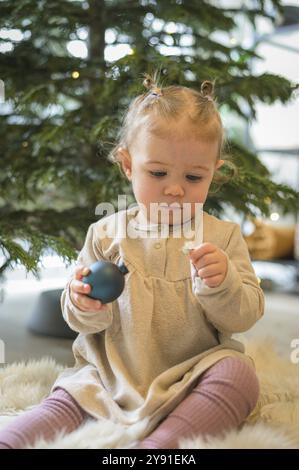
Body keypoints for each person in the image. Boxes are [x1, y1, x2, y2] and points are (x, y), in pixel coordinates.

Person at [0, 72, 264, 450]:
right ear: (127, 164)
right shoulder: (106, 235)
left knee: (239, 374)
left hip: (189, 378)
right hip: (106, 380)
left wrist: (223, 285)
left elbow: (244, 316)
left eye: (193, 177)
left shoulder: (222, 238)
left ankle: (161, 445)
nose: (174, 188)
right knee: (60, 403)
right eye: (157, 173)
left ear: (214, 173)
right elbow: (79, 320)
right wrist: (81, 300)